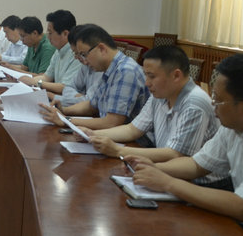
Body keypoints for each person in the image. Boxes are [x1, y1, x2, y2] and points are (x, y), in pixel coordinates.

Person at [126, 54, 243, 235]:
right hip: (235, 221)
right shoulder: (233, 126)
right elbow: (197, 164)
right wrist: (153, 167)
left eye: (218, 99)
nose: (213, 105)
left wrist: (168, 183)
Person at [86, 45, 225, 187]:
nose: (146, 83)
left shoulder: (195, 103)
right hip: (168, 172)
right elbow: (132, 129)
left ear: (176, 75)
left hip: (202, 184)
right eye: (145, 75)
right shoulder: (160, 94)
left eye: (151, 76)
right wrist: (91, 134)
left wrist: (118, 151)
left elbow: (176, 154)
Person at [40, 24, 147, 130]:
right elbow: (91, 106)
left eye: (84, 54)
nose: (84, 61)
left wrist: (66, 120)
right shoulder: (108, 69)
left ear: (101, 49)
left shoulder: (125, 71)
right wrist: (63, 110)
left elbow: (112, 122)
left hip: (133, 139)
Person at [19, 10, 80, 95]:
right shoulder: (58, 51)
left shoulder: (77, 54)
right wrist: (27, 80)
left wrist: (36, 82)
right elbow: (47, 77)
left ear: (65, 34)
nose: (48, 36)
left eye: (50, 33)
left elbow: (64, 87)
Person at [52, 25, 102, 108]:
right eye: (75, 53)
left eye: (80, 54)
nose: (76, 57)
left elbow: (91, 103)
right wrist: (80, 97)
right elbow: (68, 88)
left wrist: (56, 97)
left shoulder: (101, 68)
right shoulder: (86, 66)